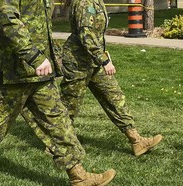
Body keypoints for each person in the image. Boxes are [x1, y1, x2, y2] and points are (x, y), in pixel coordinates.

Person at [0, 0, 116, 186]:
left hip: (36, 72)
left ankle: (79, 176)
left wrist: (45, 57)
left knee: (57, 120)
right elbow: (7, 20)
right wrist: (33, 56)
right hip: (7, 71)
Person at [59, 0, 163, 156]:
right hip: (77, 62)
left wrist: (104, 56)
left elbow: (96, 35)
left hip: (94, 61)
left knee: (115, 98)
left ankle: (136, 140)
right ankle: (57, 144)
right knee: (70, 105)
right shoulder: (83, 2)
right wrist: (104, 60)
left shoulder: (97, 2)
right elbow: (86, 34)